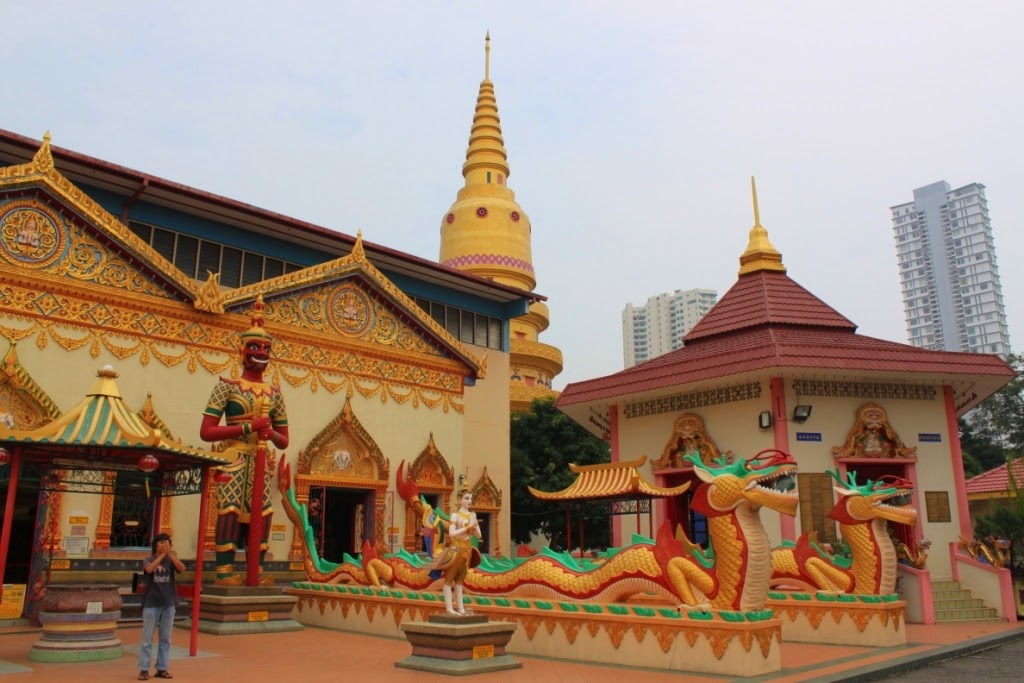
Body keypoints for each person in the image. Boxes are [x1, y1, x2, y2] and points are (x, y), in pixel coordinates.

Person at [200, 295, 289, 586]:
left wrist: (270, 434)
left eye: (266, 348)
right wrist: (248, 426)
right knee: (229, 510)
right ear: (241, 351)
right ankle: (224, 570)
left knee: (262, 512)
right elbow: (207, 431)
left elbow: (284, 440)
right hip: (234, 456)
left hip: (262, 458)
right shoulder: (226, 387)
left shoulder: (274, 393)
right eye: (254, 346)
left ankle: (257, 569)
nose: (261, 352)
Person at [137, 533, 185, 680]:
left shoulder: (171, 561)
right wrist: (160, 556)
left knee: (166, 638)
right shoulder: (148, 559)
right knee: (147, 638)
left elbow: (182, 568)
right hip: (151, 603)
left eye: (167, 542)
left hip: (168, 603)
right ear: (156, 545)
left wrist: (169, 555)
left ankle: (162, 668)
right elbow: (149, 570)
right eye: (161, 543)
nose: (164, 545)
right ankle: (144, 668)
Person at [441, 487, 482, 616]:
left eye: (470, 498)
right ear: (459, 500)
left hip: (467, 549)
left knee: (460, 580)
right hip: (456, 549)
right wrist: (466, 528)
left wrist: (474, 527)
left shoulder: (472, 515)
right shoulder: (455, 515)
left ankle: (460, 608)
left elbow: (479, 536)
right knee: (449, 580)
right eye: (466, 498)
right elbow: (452, 533)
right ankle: (449, 608)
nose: (469, 501)